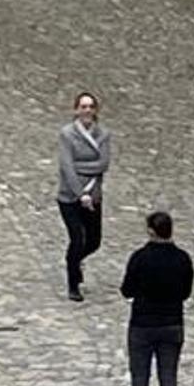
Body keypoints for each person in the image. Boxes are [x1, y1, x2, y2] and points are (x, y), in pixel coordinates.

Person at [119, 210, 194, 386]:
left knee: (139, 380)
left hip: (142, 325)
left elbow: (127, 290)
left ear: (151, 231)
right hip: (172, 324)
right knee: (168, 378)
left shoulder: (140, 258)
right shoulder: (182, 259)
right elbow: (186, 292)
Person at [55, 91, 110, 300]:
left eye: (90, 107)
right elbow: (67, 167)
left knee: (94, 241)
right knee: (77, 239)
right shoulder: (67, 134)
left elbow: (103, 164)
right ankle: (73, 283)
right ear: (76, 110)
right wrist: (80, 193)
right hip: (70, 197)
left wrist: (80, 167)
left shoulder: (103, 134)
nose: (87, 110)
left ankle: (74, 260)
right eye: (83, 106)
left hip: (93, 194)